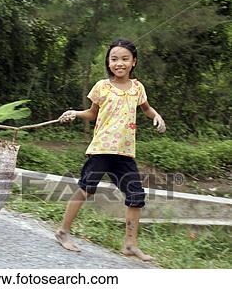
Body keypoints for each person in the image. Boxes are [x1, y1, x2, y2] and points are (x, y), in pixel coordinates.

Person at [56, 39, 166, 261]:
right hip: (102, 148)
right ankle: (63, 232)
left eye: (125, 59)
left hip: (124, 152)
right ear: (108, 62)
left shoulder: (137, 88)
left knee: (136, 195)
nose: (119, 63)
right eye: (114, 59)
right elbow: (92, 113)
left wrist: (157, 116)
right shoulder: (102, 87)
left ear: (133, 62)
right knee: (86, 188)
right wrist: (75, 113)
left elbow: (146, 109)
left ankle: (130, 244)